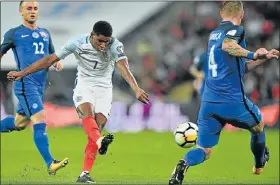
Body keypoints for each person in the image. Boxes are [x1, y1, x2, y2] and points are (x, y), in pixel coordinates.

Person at [7, 20, 149, 183]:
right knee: (88, 116)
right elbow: (50, 60)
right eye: (99, 41)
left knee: (96, 129)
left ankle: (84, 174)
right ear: (92, 35)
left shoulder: (115, 45)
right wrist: (23, 72)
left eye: (106, 41)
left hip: (104, 89)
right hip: (84, 85)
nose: (103, 45)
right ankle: (100, 141)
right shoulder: (77, 42)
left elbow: (123, 66)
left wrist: (136, 88)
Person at [168, 1, 279, 184]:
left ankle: (183, 163)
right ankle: (259, 164)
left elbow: (239, 68)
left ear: (221, 14)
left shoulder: (214, 35)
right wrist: (252, 54)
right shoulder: (237, 30)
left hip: (209, 104)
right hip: (232, 102)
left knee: (204, 150)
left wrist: (262, 58)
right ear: (241, 14)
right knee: (258, 127)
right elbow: (228, 46)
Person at [0, 0, 68, 176]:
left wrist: (57, 61)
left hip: (39, 85)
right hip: (25, 83)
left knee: (19, 123)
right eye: (28, 8)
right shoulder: (13, 34)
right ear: (20, 11)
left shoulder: (44, 33)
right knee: (40, 119)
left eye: (35, 8)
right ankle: (50, 163)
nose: (32, 11)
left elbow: (51, 53)